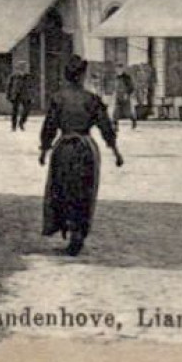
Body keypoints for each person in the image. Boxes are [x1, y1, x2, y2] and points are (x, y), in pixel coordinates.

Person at [39, 55, 124, 257]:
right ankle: (78, 232)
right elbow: (106, 127)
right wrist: (115, 151)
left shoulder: (58, 98)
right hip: (85, 150)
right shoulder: (91, 99)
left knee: (61, 188)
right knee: (84, 191)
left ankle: (66, 226)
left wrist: (44, 149)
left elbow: (49, 126)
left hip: (64, 150)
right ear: (81, 76)